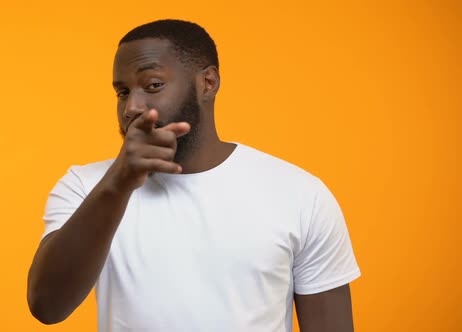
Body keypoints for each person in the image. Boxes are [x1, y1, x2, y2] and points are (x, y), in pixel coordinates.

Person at [27, 19, 361, 332]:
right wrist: (117, 183)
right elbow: (47, 306)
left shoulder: (300, 195)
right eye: (123, 92)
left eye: (153, 85)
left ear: (208, 83)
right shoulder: (85, 186)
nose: (131, 107)